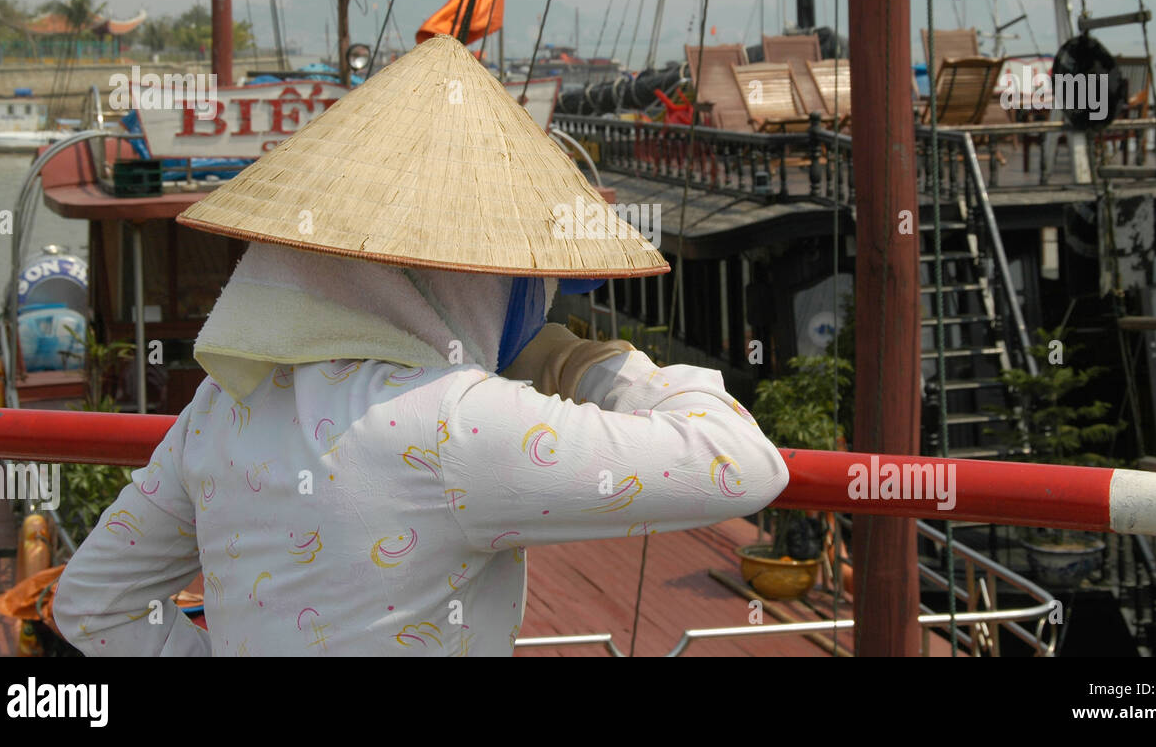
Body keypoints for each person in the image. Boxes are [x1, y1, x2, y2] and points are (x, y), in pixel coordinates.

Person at [53, 35, 790, 656]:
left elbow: (92, 603)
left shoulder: (227, 400)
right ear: (469, 281)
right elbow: (741, 465)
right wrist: (590, 364)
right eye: (520, 276)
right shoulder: (456, 424)